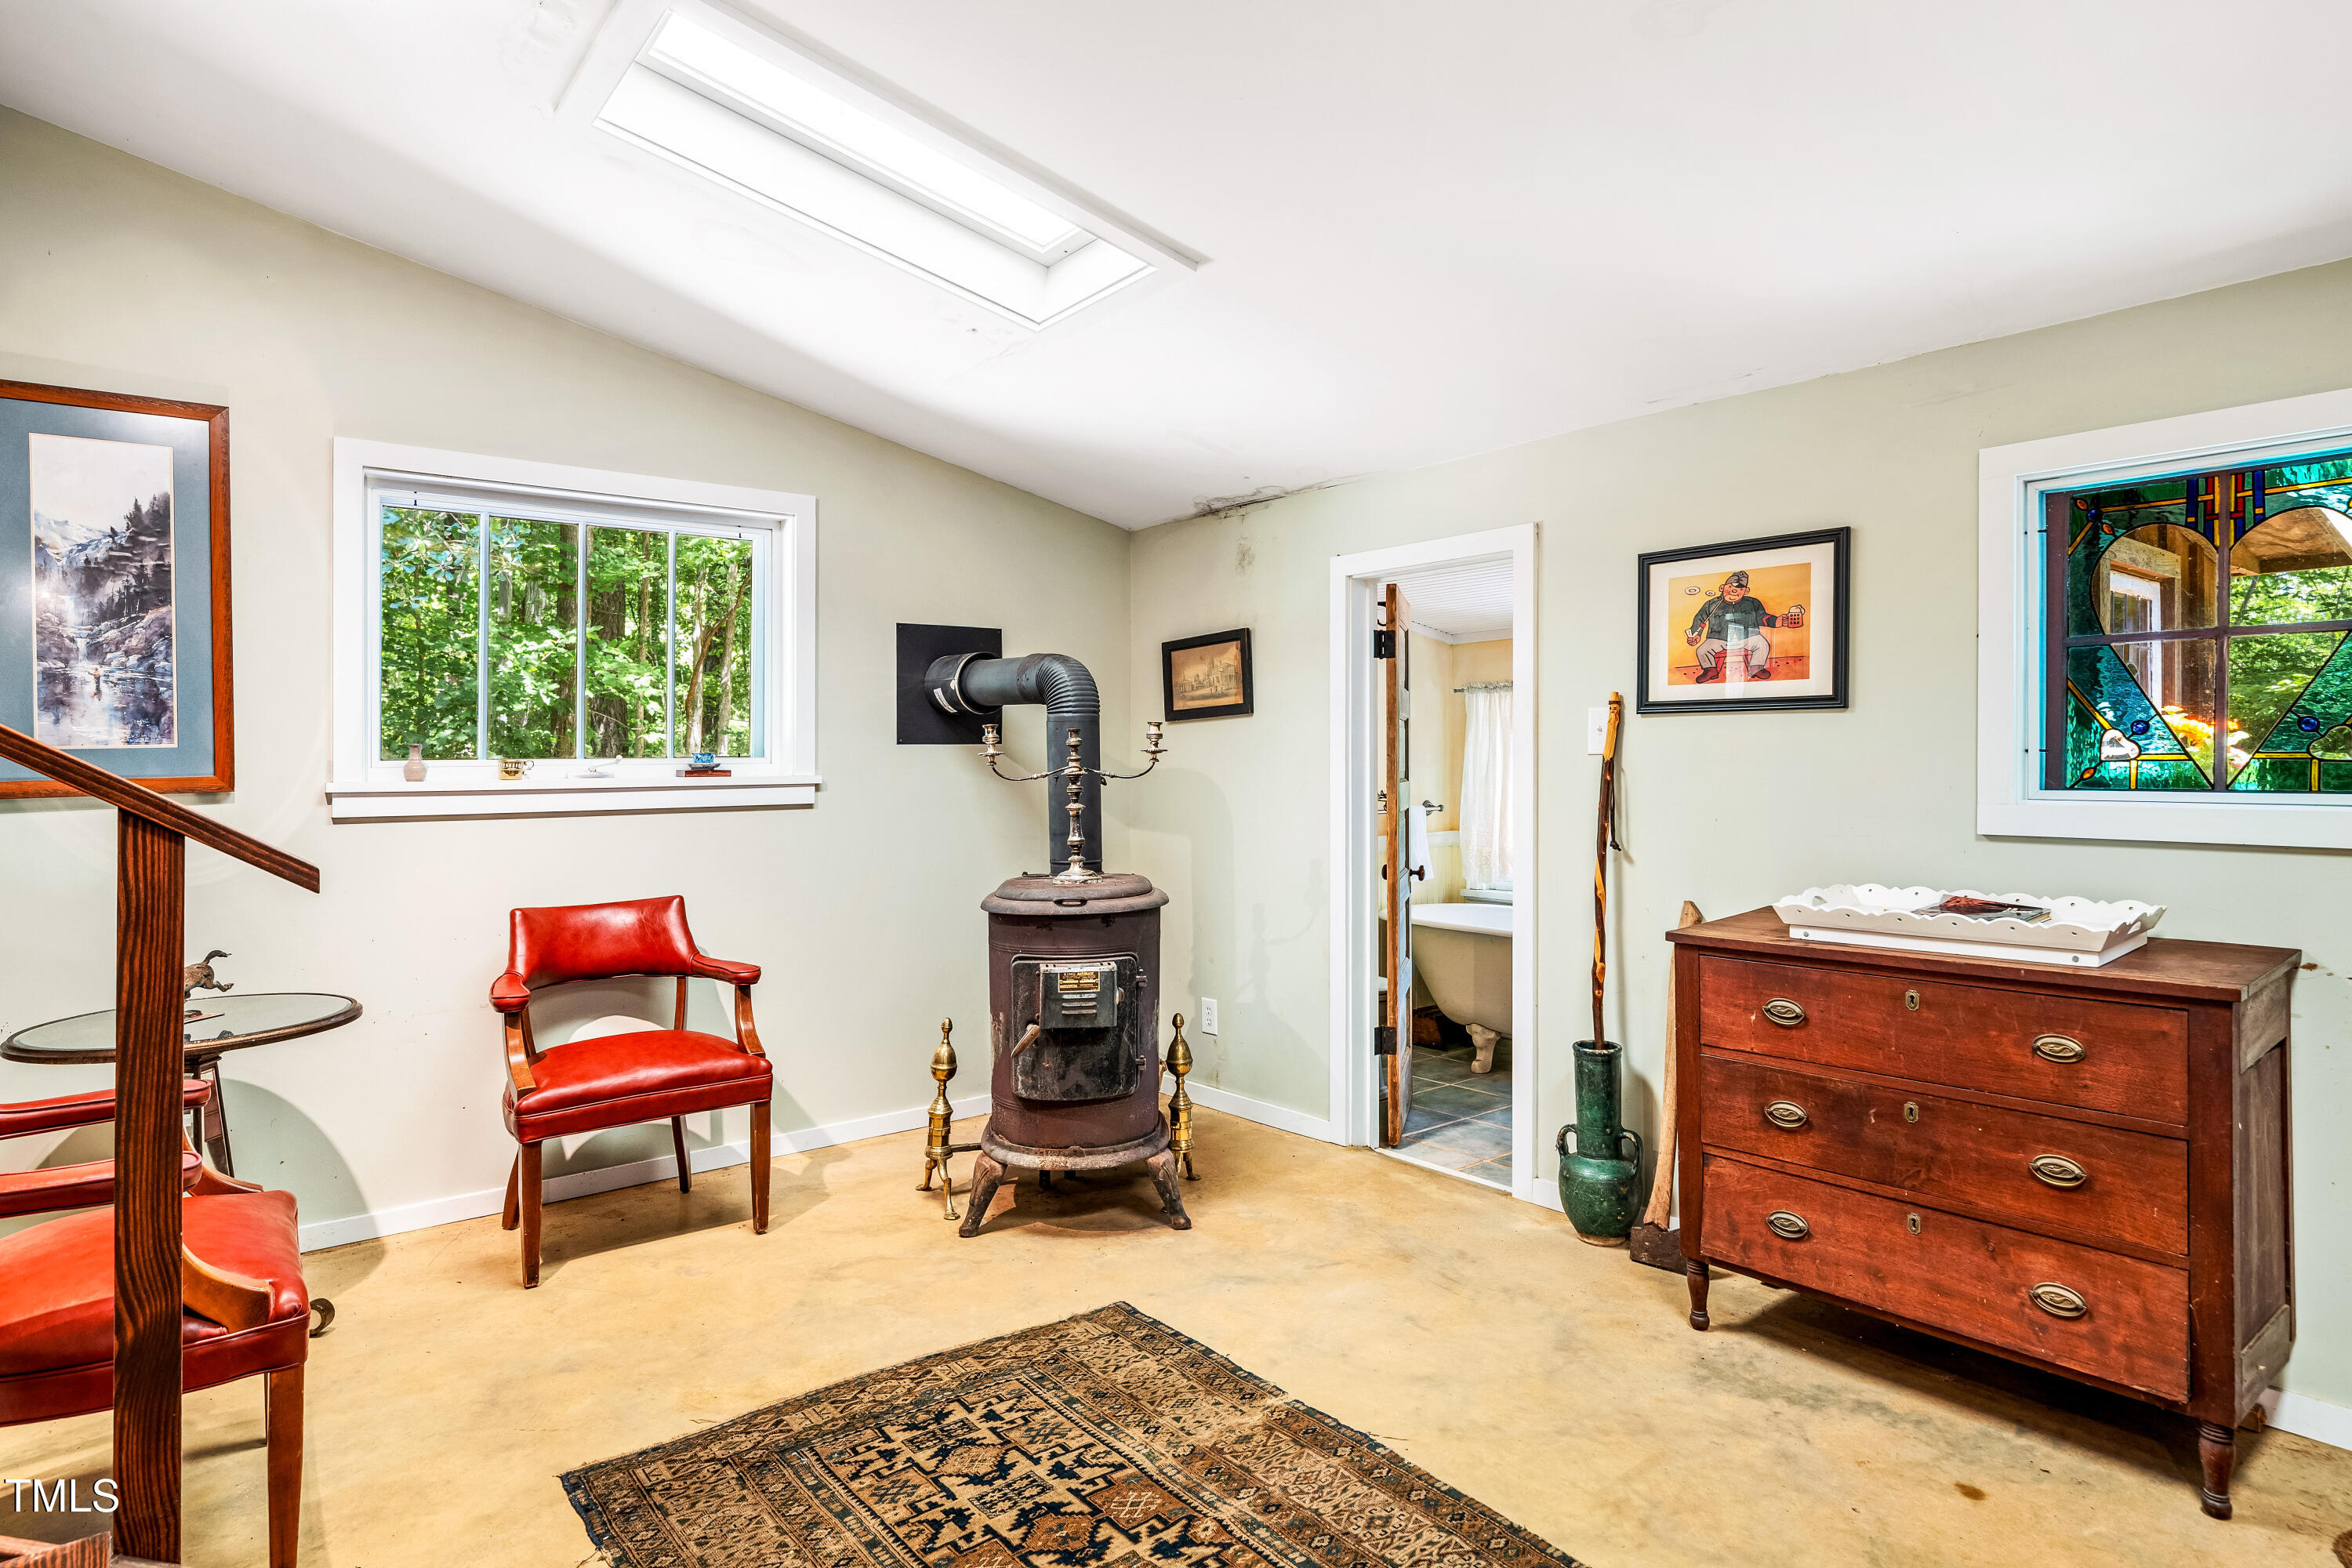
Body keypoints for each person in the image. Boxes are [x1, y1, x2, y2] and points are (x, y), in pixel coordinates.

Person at [1684, 570, 1802, 681]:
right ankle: (1710, 669)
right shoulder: (1711, 604)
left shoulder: (1753, 603)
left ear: (1746, 591)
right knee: (1702, 650)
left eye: (1739, 589)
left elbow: (1761, 617)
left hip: (1748, 636)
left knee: (1763, 644)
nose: (1734, 591)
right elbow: (1700, 618)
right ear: (1722, 588)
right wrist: (1695, 634)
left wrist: (1776, 622)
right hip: (1718, 638)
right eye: (1730, 587)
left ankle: (1756, 667)